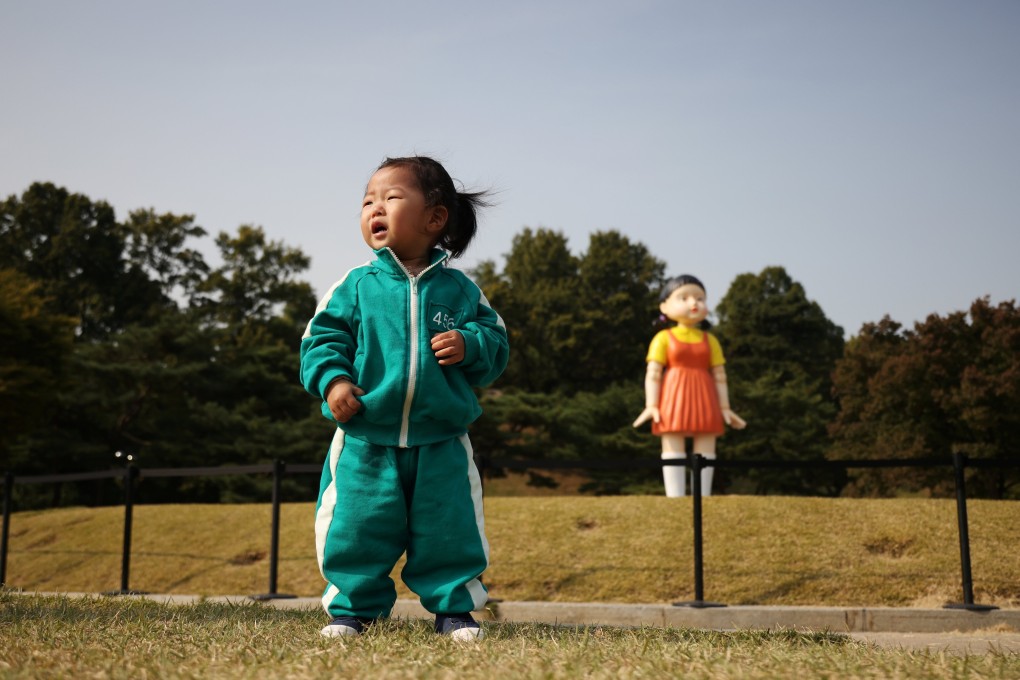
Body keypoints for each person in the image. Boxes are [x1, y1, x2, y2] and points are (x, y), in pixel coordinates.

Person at [300, 156, 509, 641]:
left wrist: (470, 343)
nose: (374, 207)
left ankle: (455, 611)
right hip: (365, 438)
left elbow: (496, 344)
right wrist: (333, 382)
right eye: (367, 201)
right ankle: (352, 611)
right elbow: (319, 341)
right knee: (357, 526)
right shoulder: (354, 286)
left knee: (449, 530)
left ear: (435, 218)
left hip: (442, 439)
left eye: (390, 198)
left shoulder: (460, 289)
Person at [633, 275, 746, 497]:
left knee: (706, 443)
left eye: (699, 298)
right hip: (673, 396)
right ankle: (674, 496)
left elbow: (720, 376)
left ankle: (702, 495)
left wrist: (725, 408)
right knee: (672, 442)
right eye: (683, 298)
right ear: (664, 306)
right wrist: (651, 404)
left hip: (705, 396)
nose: (694, 303)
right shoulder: (663, 338)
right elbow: (653, 373)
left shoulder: (710, 340)